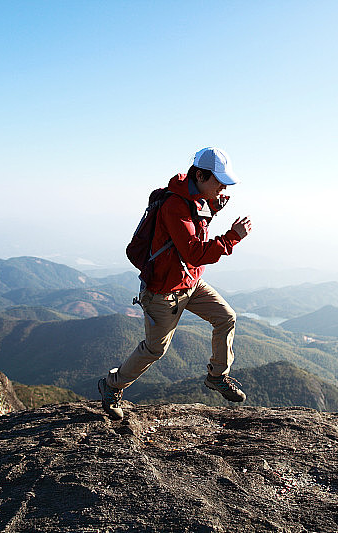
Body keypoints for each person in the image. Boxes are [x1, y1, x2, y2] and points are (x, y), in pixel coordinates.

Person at [98, 147, 253, 420]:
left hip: (190, 282)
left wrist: (211, 210)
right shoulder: (175, 205)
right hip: (164, 292)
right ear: (201, 176)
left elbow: (192, 242)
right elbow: (193, 252)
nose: (224, 188)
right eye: (219, 181)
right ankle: (111, 386)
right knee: (154, 349)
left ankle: (217, 376)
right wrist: (232, 237)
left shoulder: (197, 199)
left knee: (226, 317)